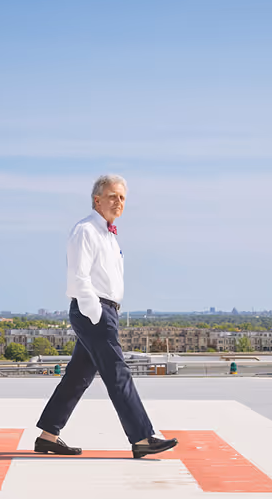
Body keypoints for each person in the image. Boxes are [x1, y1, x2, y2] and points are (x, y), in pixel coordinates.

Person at [33, 175, 179, 459]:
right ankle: (142, 437)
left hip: (104, 310)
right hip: (94, 312)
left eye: (122, 198)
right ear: (97, 199)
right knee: (117, 372)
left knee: (78, 377)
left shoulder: (109, 235)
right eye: (112, 196)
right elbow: (78, 277)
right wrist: (96, 313)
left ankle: (47, 435)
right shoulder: (86, 230)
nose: (118, 202)